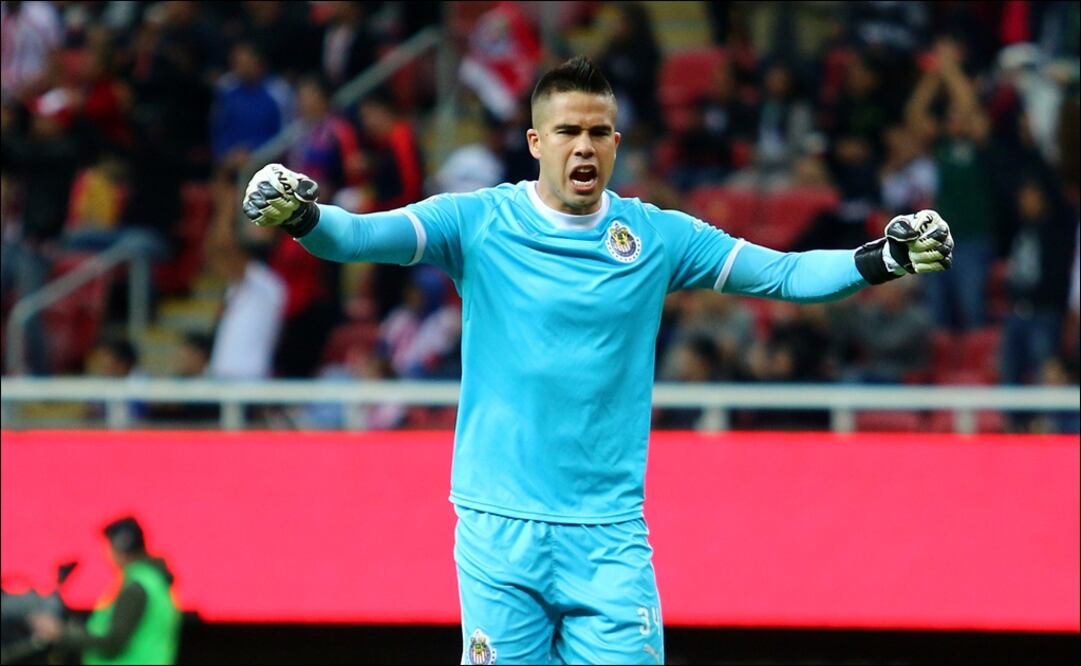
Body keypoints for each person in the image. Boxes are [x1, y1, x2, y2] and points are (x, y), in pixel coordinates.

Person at [241, 56, 954, 664]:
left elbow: (784, 275)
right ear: (535, 141)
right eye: (567, 132)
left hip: (607, 536)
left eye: (596, 132)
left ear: (614, 142)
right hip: (498, 529)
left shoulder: (654, 235)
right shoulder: (477, 221)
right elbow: (358, 238)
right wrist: (301, 217)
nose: (583, 147)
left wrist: (884, 256)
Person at [29, 516, 181, 665]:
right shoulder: (156, 583)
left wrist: (61, 634)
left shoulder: (137, 588)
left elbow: (113, 642)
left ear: (119, 546)